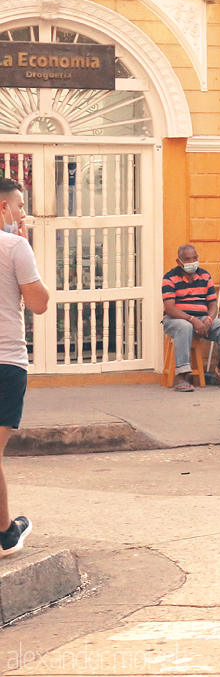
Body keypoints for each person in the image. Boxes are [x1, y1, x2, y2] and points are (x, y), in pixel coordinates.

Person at [0, 178, 47, 557]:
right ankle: (4, 533)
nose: (21, 213)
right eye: (18, 206)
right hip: (5, 361)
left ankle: (5, 531)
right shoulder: (14, 246)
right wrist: (23, 244)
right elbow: (39, 303)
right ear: (3, 209)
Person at [163, 244, 220, 391]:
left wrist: (209, 319)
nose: (192, 262)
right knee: (185, 327)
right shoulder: (170, 278)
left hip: (202, 318)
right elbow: (170, 308)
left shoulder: (205, 276)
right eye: (187, 259)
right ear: (179, 262)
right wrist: (192, 320)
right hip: (176, 320)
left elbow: (213, 304)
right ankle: (181, 375)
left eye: (194, 258)